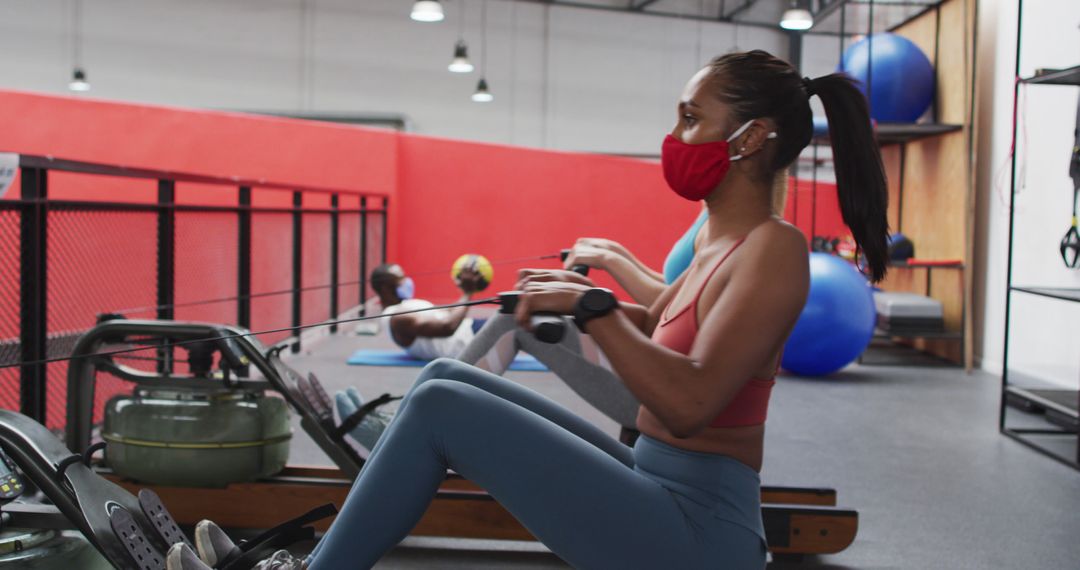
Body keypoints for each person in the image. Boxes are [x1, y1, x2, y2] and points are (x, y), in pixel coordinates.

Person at [167, 49, 889, 570]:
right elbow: (666, 325)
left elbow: (694, 397)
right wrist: (567, 304)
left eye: (691, 118)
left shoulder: (776, 248)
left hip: (699, 527)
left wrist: (595, 308)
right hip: (657, 475)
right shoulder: (715, 237)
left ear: (752, 137)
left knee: (444, 410)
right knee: (448, 385)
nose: (676, 137)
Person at [369, 263, 485, 360]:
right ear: (385, 288)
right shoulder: (396, 318)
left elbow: (448, 312)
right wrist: (467, 293)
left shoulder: (405, 305)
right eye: (400, 279)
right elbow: (447, 328)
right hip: (470, 341)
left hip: (472, 328)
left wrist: (464, 291)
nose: (406, 282)